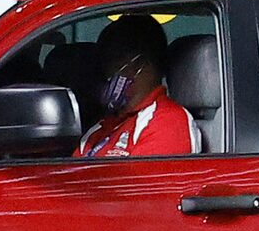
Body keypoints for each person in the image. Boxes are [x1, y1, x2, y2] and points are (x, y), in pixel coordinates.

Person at [79, 12, 193, 155]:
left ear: (139, 64)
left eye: (112, 60)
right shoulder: (100, 128)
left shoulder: (169, 123)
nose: (104, 72)